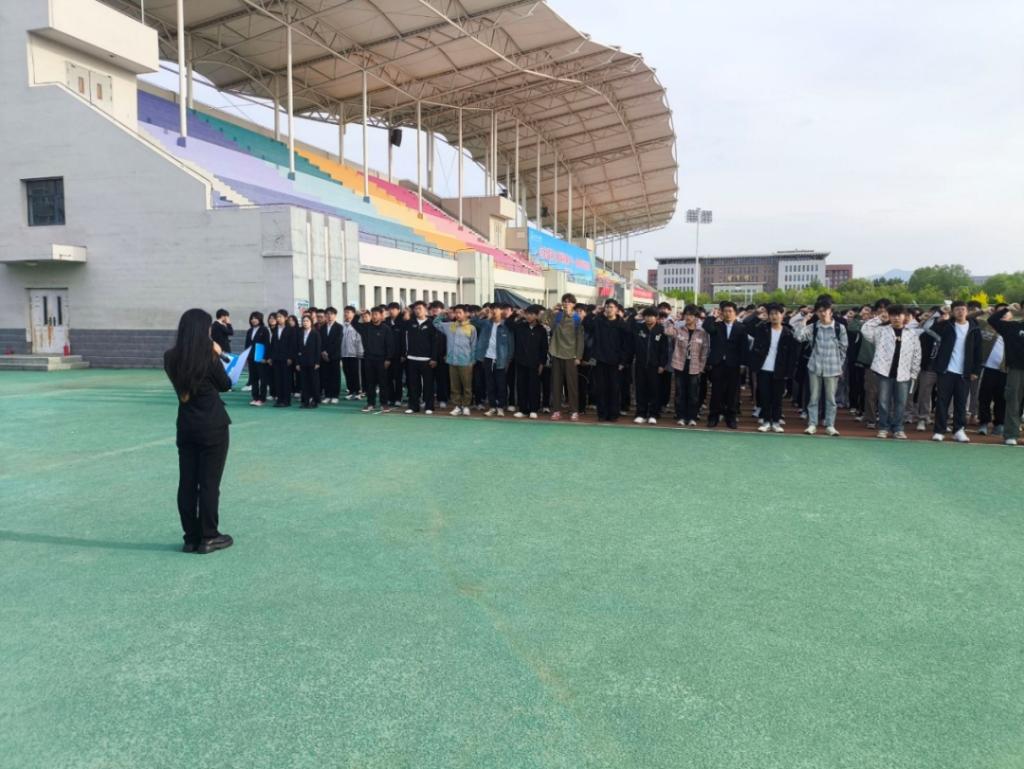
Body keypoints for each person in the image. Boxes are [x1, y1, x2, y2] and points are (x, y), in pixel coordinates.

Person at [163, 308, 233, 555]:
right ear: (204, 330)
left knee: (188, 482)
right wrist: (219, 354)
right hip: (212, 424)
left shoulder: (170, 357)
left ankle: (191, 537)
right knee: (209, 483)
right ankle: (209, 536)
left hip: (186, 425)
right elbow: (225, 384)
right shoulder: (209, 356)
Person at [860, 304, 922, 439]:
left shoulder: (912, 334)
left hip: (904, 373)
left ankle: (898, 428)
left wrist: (914, 373)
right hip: (884, 372)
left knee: (901, 402)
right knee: (883, 402)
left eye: (899, 315)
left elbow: (917, 355)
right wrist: (879, 318)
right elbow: (865, 330)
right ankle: (883, 427)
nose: (896, 318)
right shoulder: (881, 331)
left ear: (904, 317)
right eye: (893, 315)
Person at [926, 300, 982, 443]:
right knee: (942, 401)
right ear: (952, 312)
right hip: (946, 370)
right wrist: (941, 316)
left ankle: (959, 430)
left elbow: (978, 351)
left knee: (961, 403)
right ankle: (939, 431)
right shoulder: (946, 325)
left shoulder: (974, 328)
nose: (960, 312)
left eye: (962, 309)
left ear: (967, 311)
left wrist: (975, 371)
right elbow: (930, 330)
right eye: (957, 309)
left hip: (965, 372)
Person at [790, 299, 848, 436]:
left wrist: (840, 366)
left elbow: (844, 348)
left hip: (832, 367)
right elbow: (798, 337)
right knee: (814, 397)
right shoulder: (813, 327)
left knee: (831, 399)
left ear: (831, 312)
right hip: (815, 366)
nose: (823, 313)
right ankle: (812, 424)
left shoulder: (839, 328)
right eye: (819, 311)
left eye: (825, 310)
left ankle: (830, 425)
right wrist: (804, 321)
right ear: (816, 313)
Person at [749, 303, 798, 433]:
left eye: (777, 313)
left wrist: (789, 372)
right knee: (765, 396)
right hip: (763, 368)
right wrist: (756, 314)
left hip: (780, 370)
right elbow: (749, 328)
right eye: (771, 314)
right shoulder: (762, 329)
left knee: (777, 397)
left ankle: (776, 421)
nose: (774, 316)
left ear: (782, 315)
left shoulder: (788, 332)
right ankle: (766, 421)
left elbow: (792, 355)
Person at [703, 301, 749, 429]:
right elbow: (706, 326)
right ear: (721, 313)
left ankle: (731, 418)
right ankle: (713, 417)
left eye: (730, 311)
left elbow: (744, 347)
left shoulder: (741, 328)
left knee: (733, 393)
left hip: (734, 364)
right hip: (718, 363)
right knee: (716, 391)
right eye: (725, 311)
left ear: (735, 313)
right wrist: (713, 315)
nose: (728, 314)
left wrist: (743, 364)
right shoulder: (717, 325)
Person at [583, 299, 630, 422]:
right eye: (607, 307)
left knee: (614, 389)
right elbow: (586, 325)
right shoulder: (599, 321)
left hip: (616, 362)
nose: (609, 309)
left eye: (611, 307)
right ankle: (602, 414)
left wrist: (623, 361)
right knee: (601, 388)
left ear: (617, 309)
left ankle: (613, 414)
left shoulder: (622, 324)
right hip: (600, 360)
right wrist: (594, 312)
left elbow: (626, 345)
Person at [985, 303, 1024, 446]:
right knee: (1013, 401)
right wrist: (1007, 309)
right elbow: (992, 320)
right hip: (1016, 369)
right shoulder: (1012, 326)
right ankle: (1011, 434)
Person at [665, 305, 708, 426]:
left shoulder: (702, 332)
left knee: (693, 393)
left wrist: (701, 367)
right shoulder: (679, 329)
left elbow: (704, 351)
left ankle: (692, 416)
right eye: (686, 314)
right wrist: (673, 320)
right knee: (680, 392)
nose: (688, 317)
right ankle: (681, 416)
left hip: (695, 366)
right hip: (679, 364)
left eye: (691, 315)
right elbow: (667, 331)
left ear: (696, 317)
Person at [630, 307, 672, 425]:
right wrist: (636, 316)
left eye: (651, 316)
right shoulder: (638, 328)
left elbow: (664, 350)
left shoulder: (661, 330)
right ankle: (641, 414)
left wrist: (662, 364)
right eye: (646, 316)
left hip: (655, 366)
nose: (648, 318)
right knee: (640, 389)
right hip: (640, 364)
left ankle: (653, 414)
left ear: (656, 317)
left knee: (655, 390)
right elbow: (628, 328)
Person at [434, 305, 478, 415]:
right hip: (452, 361)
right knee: (455, 386)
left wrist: (472, 361)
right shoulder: (450, 326)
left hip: (466, 362)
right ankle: (457, 406)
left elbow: (474, 346)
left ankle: (466, 406)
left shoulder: (471, 328)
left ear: (466, 314)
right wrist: (442, 314)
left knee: (467, 386)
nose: (457, 315)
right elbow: (435, 323)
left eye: (460, 312)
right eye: (456, 313)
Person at [547, 293, 585, 422]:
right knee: (556, 384)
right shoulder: (558, 316)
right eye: (564, 301)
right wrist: (551, 309)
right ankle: (556, 410)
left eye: (569, 302)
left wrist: (578, 356)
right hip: (557, 353)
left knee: (572, 385)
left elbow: (580, 339)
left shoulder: (577, 319)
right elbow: (545, 321)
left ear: (574, 304)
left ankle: (574, 411)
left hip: (571, 355)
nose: (566, 303)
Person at [471, 304, 514, 417]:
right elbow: (473, 321)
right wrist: (482, 313)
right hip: (487, 358)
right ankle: (492, 407)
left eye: (497, 309)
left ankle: (501, 407)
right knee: (490, 384)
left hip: (501, 359)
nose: (494, 311)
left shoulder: (506, 326)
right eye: (492, 309)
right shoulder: (486, 323)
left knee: (501, 384)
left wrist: (508, 360)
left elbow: (511, 345)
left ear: (501, 311)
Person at [510, 304, 549, 419]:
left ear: (536, 316)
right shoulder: (520, 327)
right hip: (521, 362)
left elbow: (544, 348)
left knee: (534, 387)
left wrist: (542, 363)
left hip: (535, 363)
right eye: (527, 314)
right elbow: (508, 324)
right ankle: (523, 410)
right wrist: (516, 314)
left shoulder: (541, 330)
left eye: (531, 314)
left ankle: (533, 409)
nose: (529, 316)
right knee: (521, 386)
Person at [403, 301, 442, 414]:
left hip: (427, 360)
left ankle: (429, 406)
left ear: (425, 310)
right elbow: (401, 328)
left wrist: (434, 358)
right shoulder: (410, 323)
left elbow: (435, 343)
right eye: (415, 309)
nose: (417, 310)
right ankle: (413, 406)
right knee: (413, 384)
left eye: (420, 308)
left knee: (428, 385)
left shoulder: (431, 324)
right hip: (412, 358)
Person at [356, 306, 397, 413]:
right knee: (370, 383)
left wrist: (388, 359)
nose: (374, 316)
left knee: (383, 383)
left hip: (382, 360)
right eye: (372, 314)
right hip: (369, 359)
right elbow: (354, 324)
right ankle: (370, 403)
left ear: (381, 315)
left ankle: (384, 404)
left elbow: (390, 345)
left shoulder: (386, 328)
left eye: (376, 314)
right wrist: (358, 314)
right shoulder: (366, 327)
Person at [976, 306, 1007, 436]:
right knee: (984, 396)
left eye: (1006, 312)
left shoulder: (1012, 328)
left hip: (1005, 369)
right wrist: (983, 311)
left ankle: (999, 423)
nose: (1003, 314)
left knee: (1001, 398)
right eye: (1000, 312)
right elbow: (968, 318)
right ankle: (984, 422)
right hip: (987, 368)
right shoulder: (985, 325)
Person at [268, 310, 297, 407]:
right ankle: (279, 399)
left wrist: (290, 357)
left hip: (286, 359)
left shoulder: (291, 330)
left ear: (286, 318)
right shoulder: (275, 329)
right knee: (278, 379)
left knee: (286, 380)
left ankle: (286, 400)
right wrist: (271, 357)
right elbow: (272, 344)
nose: (278, 318)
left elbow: (293, 345)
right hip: (276, 358)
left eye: (280, 317)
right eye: (277, 317)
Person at [244, 311, 270, 406]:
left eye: (255, 318)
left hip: (260, 358)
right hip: (251, 357)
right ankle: (255, 397)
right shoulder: (249, 331)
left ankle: (262, 398)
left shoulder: (264, 330)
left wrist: (265, 357)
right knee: (253, 378)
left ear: (260, 319)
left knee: (263, 379)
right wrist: (246, 356)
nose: (253, 320)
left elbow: (267, 344)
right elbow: (247, 344)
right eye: (252, 318)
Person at [295, 314, 322, 408]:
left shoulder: (315, 334)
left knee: (314, 382)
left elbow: (318, 349)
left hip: (313, 362)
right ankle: (305, 400)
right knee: (304, 382)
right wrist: (297, 363)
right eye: (304, 321)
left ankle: (315, 400)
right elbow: (297, 349)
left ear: (311, 322)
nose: (305, 323)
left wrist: (317, 362)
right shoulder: (300, 334)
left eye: (307, 321)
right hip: (302, 362)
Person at [319, 306, 343, 404]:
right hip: (324, 356)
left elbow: (337, 342)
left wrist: (328, 352)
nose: (329, 316)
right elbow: (320, 341)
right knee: (326, 376)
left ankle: (335, 395)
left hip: (334, 355)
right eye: (327, 314)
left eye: (331, 314)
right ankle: (327, 395)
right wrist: (323, 351)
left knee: (335, 376)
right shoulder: (322, 327)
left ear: (335, 315)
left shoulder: (339, 327)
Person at [340, 306, 364, 399]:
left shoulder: (357, 326)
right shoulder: (343, 326)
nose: (346, 314)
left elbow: (359, 340)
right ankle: (351, 391)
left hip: (355, 354)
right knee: (347, 373)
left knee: (356, 374)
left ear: (353, 314)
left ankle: (358, 392)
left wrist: (360, 353)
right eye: (345, 312)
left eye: (348, 312)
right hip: (344, 354)